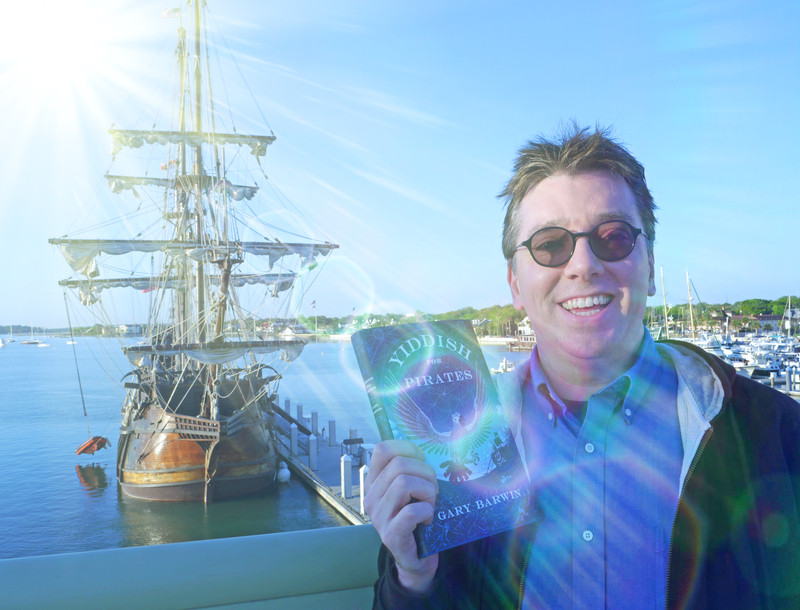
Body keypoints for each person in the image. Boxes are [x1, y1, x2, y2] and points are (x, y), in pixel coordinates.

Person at [364, 124, 800, 609]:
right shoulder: (456, 457)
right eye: (550, 245)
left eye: (613, 238)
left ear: (650, 267)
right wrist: (414, 577)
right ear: (515, 283)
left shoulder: (775, 432)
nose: (583, 265)